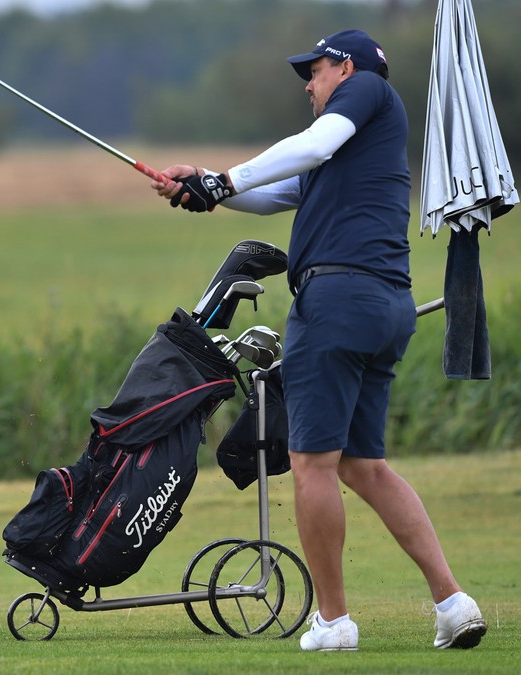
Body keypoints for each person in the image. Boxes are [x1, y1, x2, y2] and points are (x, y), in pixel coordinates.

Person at [150, 29, 488, 652]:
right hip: (384, 307)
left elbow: (310, 145)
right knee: (364, 465)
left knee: (311, 463)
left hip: (335, 302)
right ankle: (453, 602)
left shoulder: (364, 95)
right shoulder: (355, 151)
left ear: (347, 67)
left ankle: (333, 622)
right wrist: (203, 185)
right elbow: (281, 190)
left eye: (315, 71)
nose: (309, 84)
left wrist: (221, 181)